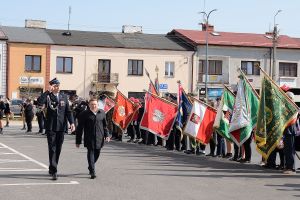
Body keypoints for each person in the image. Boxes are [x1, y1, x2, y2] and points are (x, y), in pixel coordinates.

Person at [37, 78, 75, 180]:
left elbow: (68, 111)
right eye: (55, 86)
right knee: (52, 148)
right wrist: (47, 91)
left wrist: (72, 123)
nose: (57, 87)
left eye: (58, 85)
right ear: (52, 86)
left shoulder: (64, 97)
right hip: (51, 127)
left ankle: (52, 166)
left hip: (61, 127)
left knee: (58, 148)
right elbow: (39, 103)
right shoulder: (48, 96)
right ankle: (54, 170)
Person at [76, 98, 110, 179]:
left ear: (97, 105)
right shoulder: (84, 114)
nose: (94, 106)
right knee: (90, 152)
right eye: (92, 104)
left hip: (99, 137)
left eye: (95, 104)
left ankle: (91, 165)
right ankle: (92, 171)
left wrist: (107, 135)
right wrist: (78, 141)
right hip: (89, 137)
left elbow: (105, 126)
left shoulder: (102, 112)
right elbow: (80, 128)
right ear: (89, 105)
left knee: (97, 153)